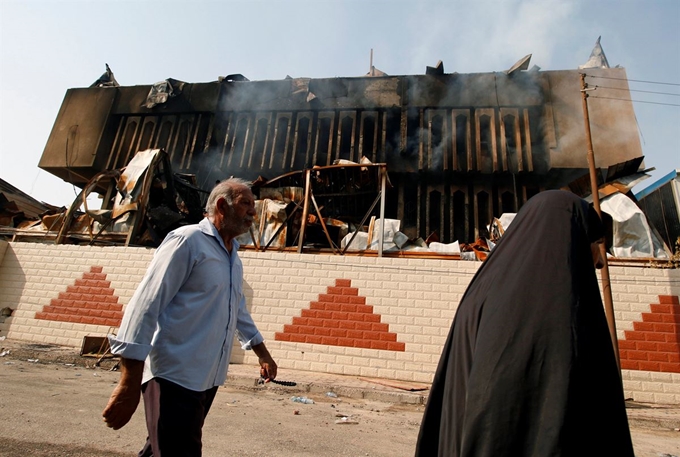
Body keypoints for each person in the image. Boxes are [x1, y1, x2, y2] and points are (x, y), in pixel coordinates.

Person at [414, 190, 633, 457]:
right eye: (591, 243)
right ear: (568, 237)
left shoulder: (484, 288)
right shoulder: (560, 305)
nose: (599, 261)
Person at [103, 177, 277, 456]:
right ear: (222, 205)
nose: (253, 213)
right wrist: (128, 382)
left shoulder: (233, 257)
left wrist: (263, 353)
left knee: (162, 447)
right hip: (173, 377)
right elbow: (145, 306)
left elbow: (238, 310)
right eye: (246, 204)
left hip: (206, 379)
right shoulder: (187, 241)